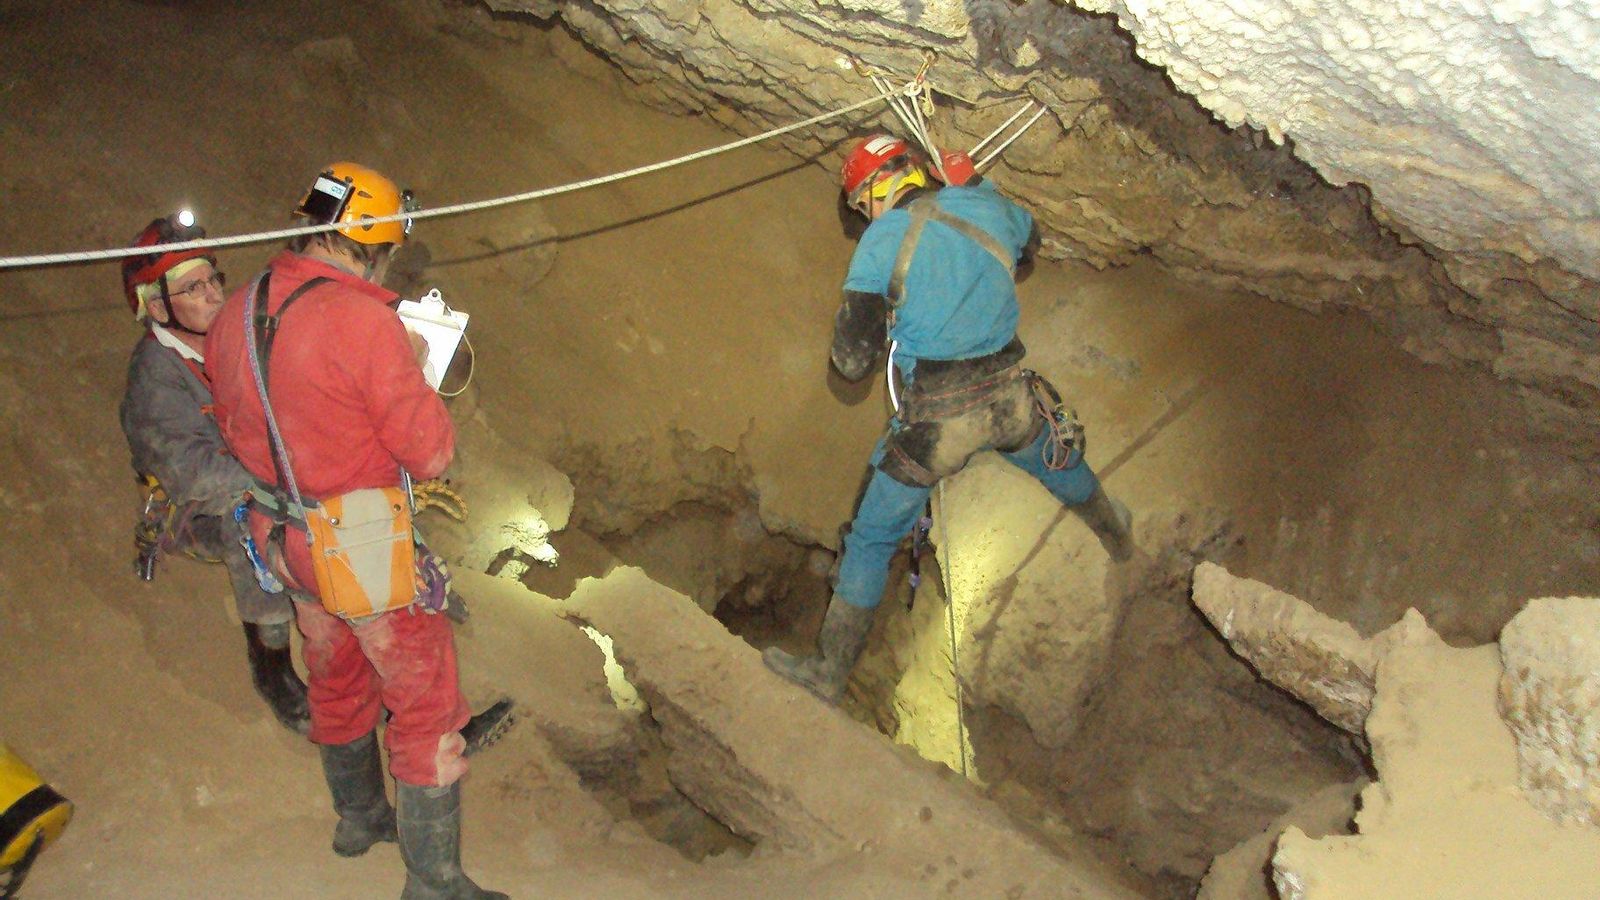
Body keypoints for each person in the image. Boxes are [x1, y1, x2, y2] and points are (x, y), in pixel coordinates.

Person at [205, 163, 505, 899]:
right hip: (358, 543)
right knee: (424, 699)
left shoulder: (237, 308)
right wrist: (413, 370)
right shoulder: (365, 323)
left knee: (335, 672)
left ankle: (359, 818)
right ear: (373, 243)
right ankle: (433, 883)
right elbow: (429, 454)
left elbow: (238, 423)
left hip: (281, 539)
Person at [764, 135, 1135, 704]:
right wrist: (976, 187)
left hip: (937, 425)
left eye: (862, 204)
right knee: (1055, 460)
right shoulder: (986, 206)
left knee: (871, 539)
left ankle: (827, 674)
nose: (866, 215)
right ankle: (1117, 534)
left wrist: (886, 314)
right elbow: (1030, 247)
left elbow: (851, 362)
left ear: (875, 188)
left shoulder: (882, 240)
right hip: (1010, 401)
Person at [118, 212, 311, 735]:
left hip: (267, 471)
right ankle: (272, 667)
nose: (212, 294)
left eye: (213, 280)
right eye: (193, 288)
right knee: (249, 523)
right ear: (158, 308)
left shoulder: (234, 336)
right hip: (195, 509)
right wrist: (277, 483)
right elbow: (193, 476)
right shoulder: (155, 378)